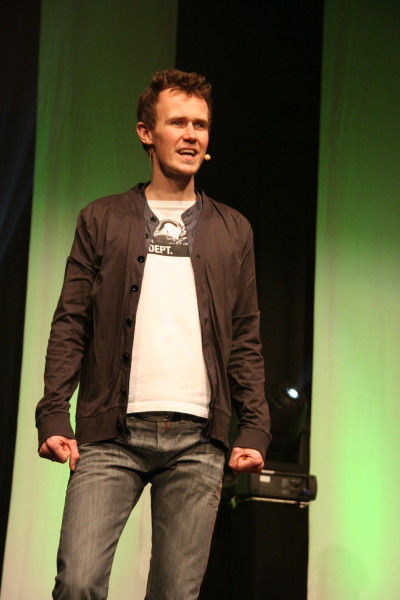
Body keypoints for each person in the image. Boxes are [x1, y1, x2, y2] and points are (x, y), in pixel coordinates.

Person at [36, 69, 271, 600]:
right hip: (112, 434)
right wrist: (53, 413)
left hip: (198, 441)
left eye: (200, 125)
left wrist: (255, 428)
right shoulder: (101, 218)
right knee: (77, 583)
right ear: (147, 132)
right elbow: (71, 322)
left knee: (174, 594)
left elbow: (245, 335)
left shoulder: (233, 229)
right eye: (178, 123)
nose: (191, 135)